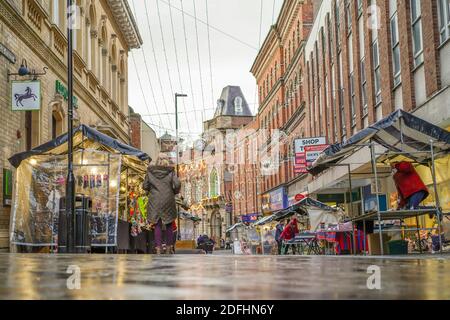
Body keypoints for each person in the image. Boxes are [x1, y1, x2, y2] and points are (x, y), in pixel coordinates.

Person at [143, 153, 181, 255]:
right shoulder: (171, 171)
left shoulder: (150, 171)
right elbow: (177, 184)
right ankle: (169, 248)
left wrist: (149, 190)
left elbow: (145, 185)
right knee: (169, 224)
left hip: (155, 200)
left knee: (157, 224)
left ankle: (158, 248)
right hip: (168, 199)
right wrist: (174, 191)